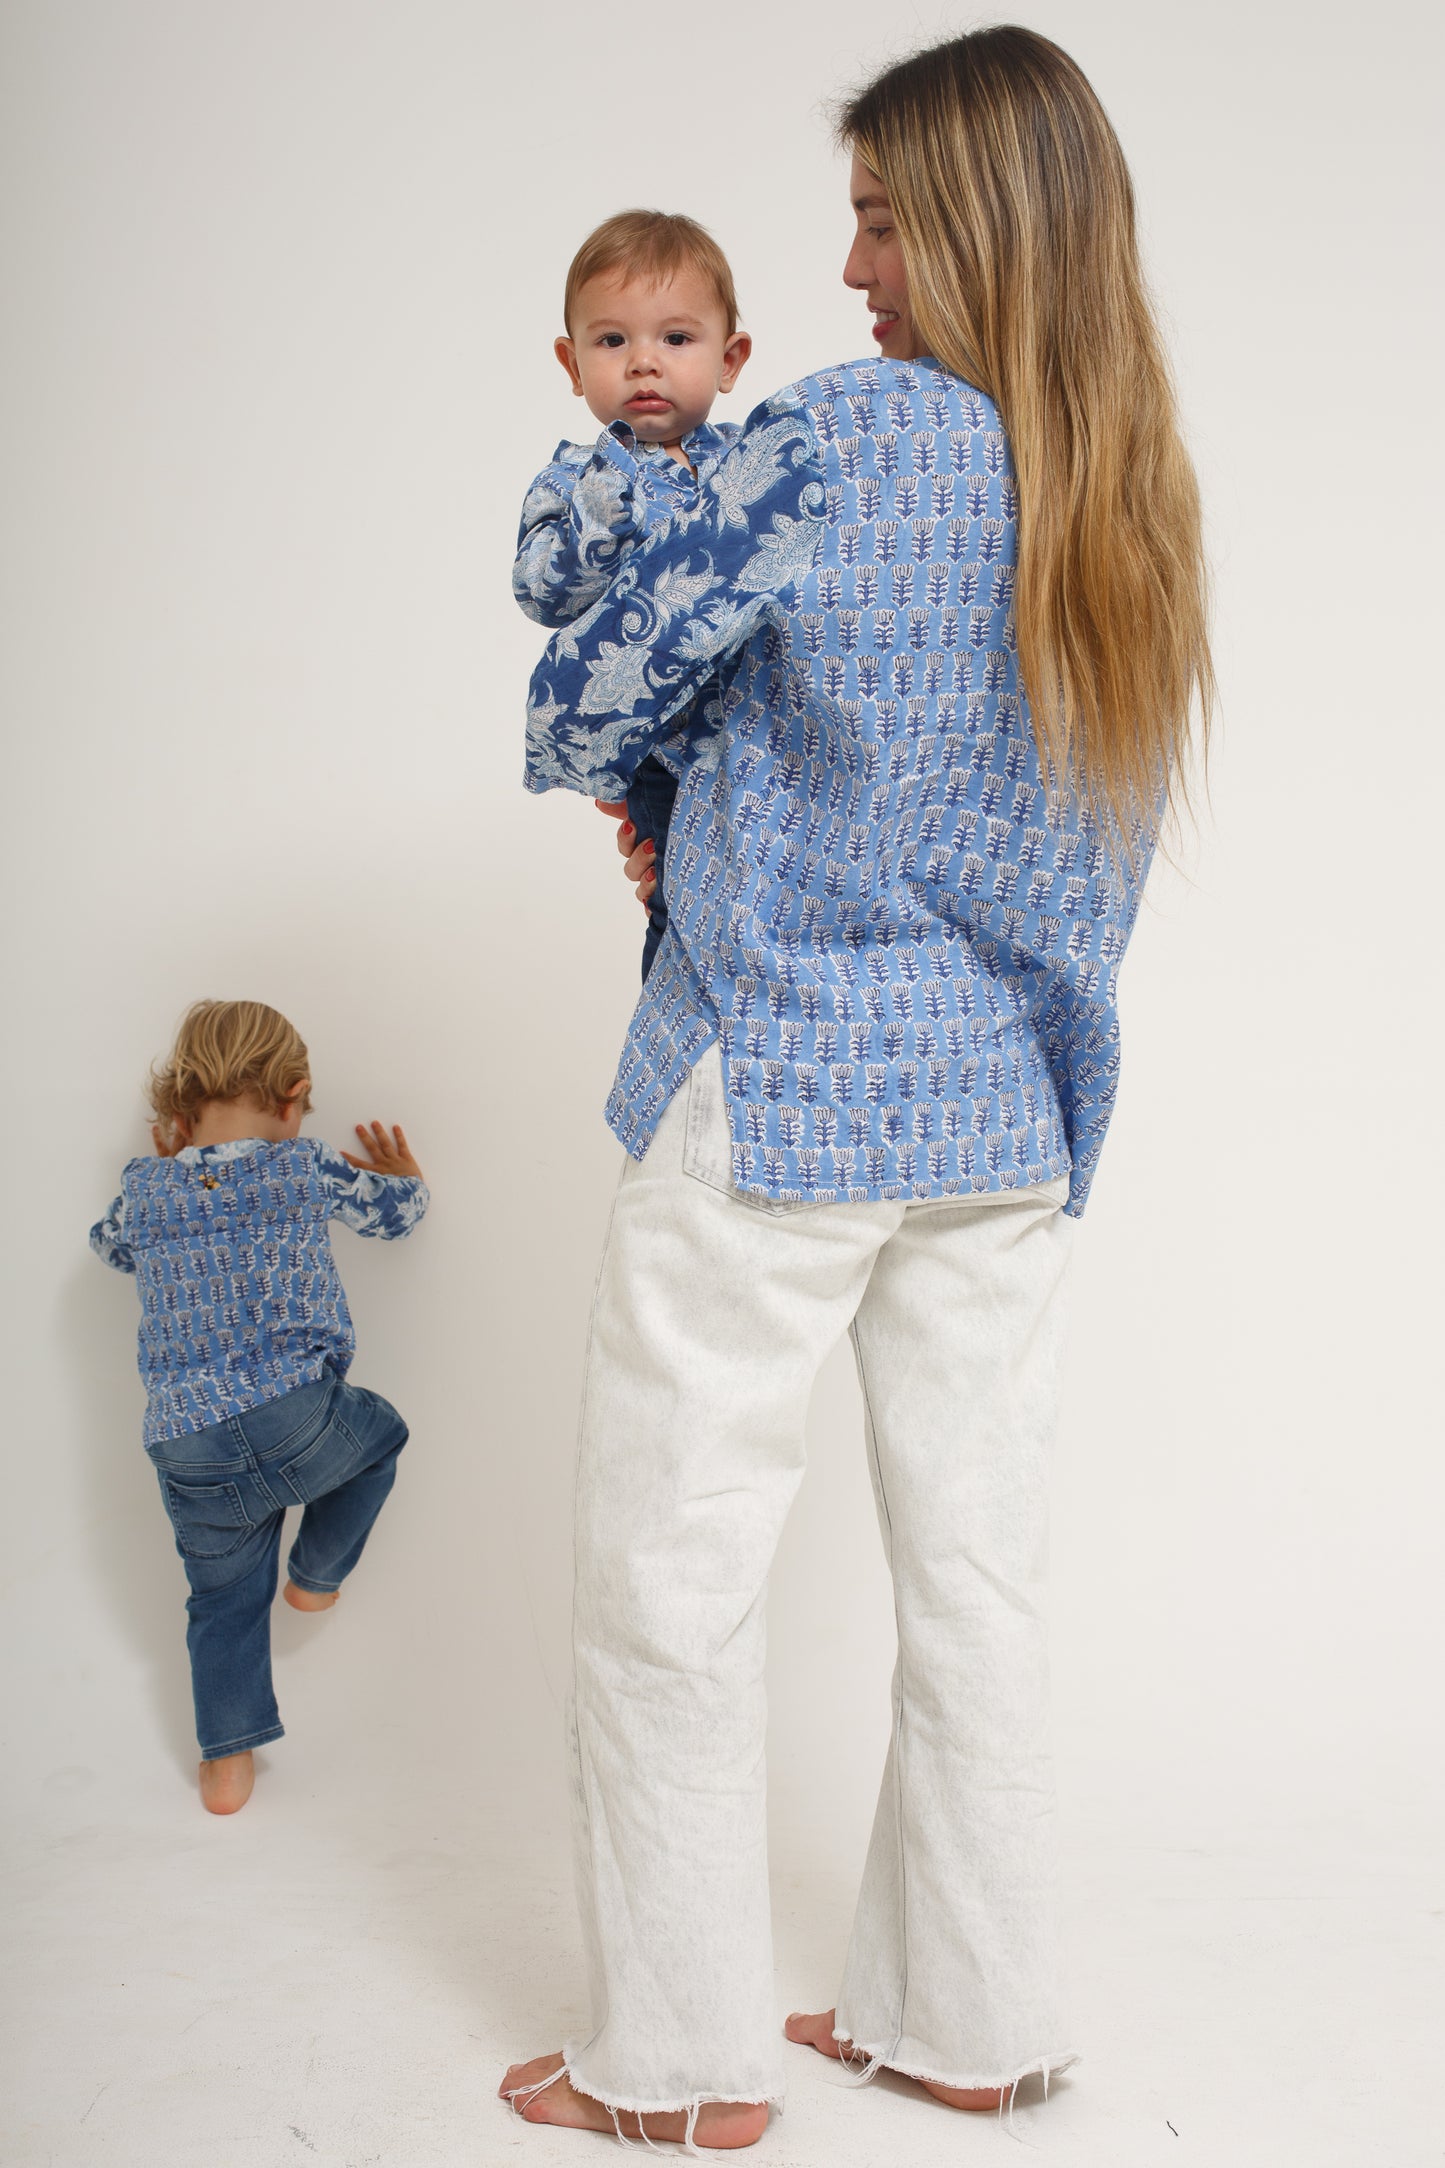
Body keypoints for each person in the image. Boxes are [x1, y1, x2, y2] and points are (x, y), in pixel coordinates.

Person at [502, 24, 1211, 2150]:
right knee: (980, 1573)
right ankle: (963, 2021)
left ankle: (675, 2062)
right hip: (1000, 1113)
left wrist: (671, 775)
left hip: (788, 1087)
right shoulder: (1119, 483)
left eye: (882, 215)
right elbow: (1064, 835)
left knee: (672, 1568)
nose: (844, 263)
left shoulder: (826, 441)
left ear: (973, 225)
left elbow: (585, 691)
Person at [90, 998, 428, 1815]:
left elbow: (111, 1248)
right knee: (381, 1436)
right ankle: (315, 1576)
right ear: (294, 1096)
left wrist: (166, 1167)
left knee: (221, 1603)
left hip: (185, 1444)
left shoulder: (145, 1188)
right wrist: (405, 1178)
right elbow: (399, 1219)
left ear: (177, 1111)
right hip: (294, 1414)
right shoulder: (302, 1167)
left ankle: (227, 1769)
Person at [512, 209, 752, 980]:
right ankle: (674, 1057)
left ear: (730, 358)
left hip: (760, 740)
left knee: (758, 908)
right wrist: (598, 520)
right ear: (572, 364)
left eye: (675, 339)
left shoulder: (752, 467)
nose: (644, 363)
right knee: (680, 904)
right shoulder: (574, 479)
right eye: (613, 341)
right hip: (663, 751)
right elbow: (540, 590)